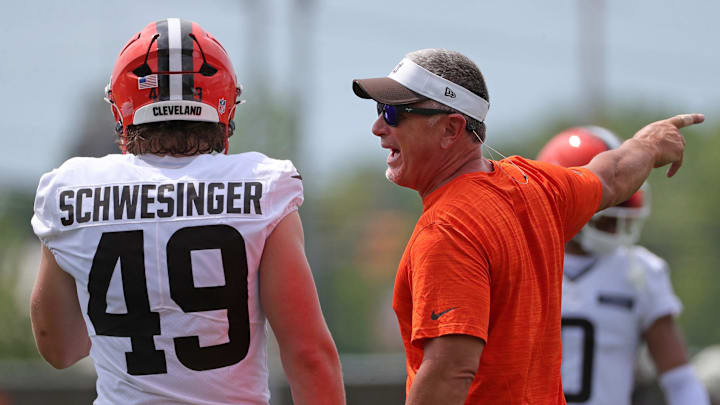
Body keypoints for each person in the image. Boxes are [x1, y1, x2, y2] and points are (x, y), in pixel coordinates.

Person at [351, 47, 704, 405]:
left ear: (451, 128)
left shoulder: (447, 229)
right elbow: (610, 176)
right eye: (380, 110)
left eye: (394, 113)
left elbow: (451, 370)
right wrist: (650, 144)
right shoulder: (537, 185)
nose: (378, 127)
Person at [30, 18, 345, 405]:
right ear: (225, 104)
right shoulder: (262, 186)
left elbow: (60, 349)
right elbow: (309, 355)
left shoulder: (70, 190)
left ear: (122, 106)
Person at [537, 126, 709, 405]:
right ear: (567, 195)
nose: (619, 202)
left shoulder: (640, 272)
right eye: (609, 189)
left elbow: (679, 378)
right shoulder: (523, 260)